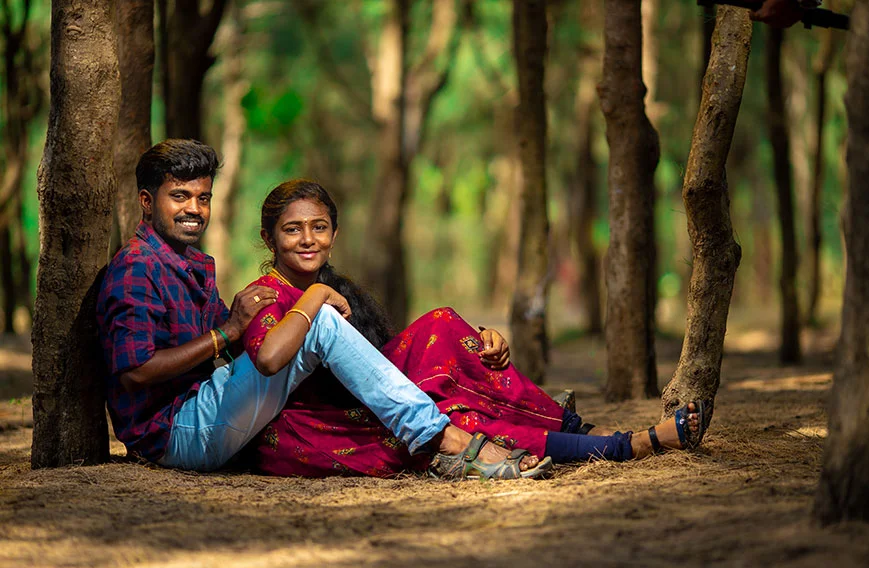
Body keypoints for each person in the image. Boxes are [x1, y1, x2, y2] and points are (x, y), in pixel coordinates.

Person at [96, 139, 555, 480]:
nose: (194, 209)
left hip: (205, 407)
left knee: (422, 331)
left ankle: (535, 420)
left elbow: (246, 351)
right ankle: (448, 442)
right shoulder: (136, 270)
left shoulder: (187, 263)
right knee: (320, 322)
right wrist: (232, 330)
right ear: (146, 201)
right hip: (178, 431)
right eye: (179, 197)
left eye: (203, 197)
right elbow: (135, 371)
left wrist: (243, 332)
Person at [236, 179, 708, 478]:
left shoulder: (338, 287)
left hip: (374, 400)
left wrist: (481, 344)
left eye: (318, 227)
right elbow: (271, 361)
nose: (307, 240)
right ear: (269, 238)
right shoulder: (264, 296)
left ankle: (581, 430)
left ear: (334, 235)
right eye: (292, 230)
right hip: (321, 420)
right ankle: (625, 446)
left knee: (443, 325)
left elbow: (380, 359)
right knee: (458, 414)